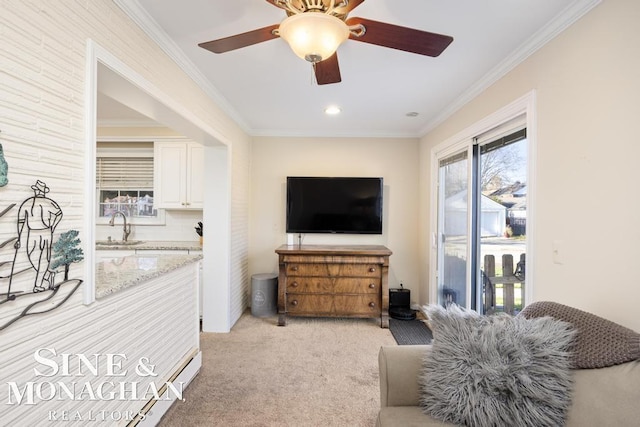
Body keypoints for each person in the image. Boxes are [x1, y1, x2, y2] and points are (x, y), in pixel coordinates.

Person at [14, 180, 63, 292]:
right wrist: (19, 237)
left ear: (38, 190)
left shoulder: (48, 202)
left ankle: (38, 285)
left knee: (44, 259)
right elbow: (21, 221)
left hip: (46, 231)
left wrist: (53, 227)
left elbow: (59, 213)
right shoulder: (28, 202)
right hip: (34, 232)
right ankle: (47, 275)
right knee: (32, 256)